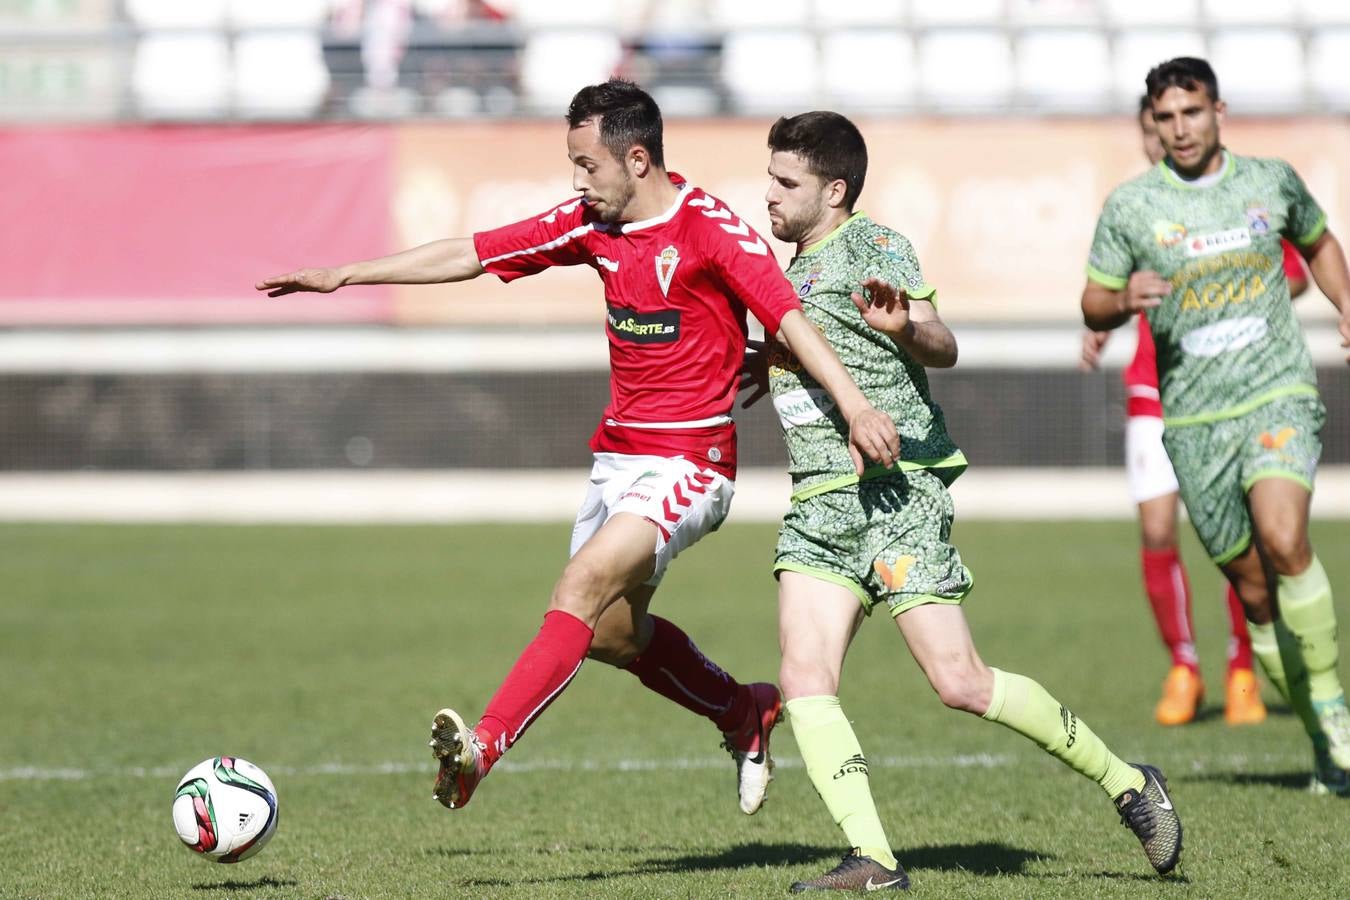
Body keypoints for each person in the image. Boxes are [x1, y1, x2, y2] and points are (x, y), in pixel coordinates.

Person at [256, 78, 900, 816]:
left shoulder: (711, 231)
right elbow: (472, 252)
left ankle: (480, 751)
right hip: (617, 459)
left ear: (635, 159)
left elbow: (787, 318)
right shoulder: (591, 225)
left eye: (586, 165)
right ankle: (742, 710)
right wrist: (347, 274)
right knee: (613, 636)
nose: (576, 182)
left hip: (691, 463)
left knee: (579, 589)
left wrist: (853, 406)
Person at [742, 110, 1182, 892]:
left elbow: (943, 342)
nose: (768, 194)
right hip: (818, 502)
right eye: (769, 177)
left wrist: (905, 322)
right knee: (804, 675)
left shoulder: (870, 246)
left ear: (834, 190)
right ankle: (874, 859)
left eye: (786, 182)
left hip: (896, 492)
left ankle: (1128, 783)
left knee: (960, 683)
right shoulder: (788, 272)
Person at [1081, 57, 1350, 795]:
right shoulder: (1132, 207)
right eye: (1166, 118)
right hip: (1193, 420)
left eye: (1192, 113)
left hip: (1276, 394)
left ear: (1218, 110)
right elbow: (1093, 301)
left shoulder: (1270, 181)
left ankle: (1334, 712)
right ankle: (1311, 720)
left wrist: (1345, 301)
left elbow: (1320, 242)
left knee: (1287, 538)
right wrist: (1119, 301)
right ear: (1153, 125)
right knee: (1253, 590)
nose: (1181, 129)